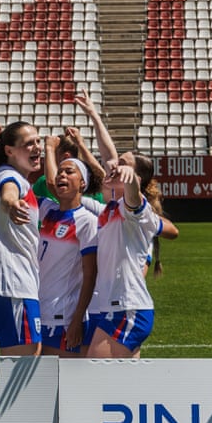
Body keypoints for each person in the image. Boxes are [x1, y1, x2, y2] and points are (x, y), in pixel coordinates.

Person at [86, 153, 179, 358]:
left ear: (136, 178)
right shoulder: (111, 208)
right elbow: (106, 156)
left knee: (94, 374)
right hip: (119, 308)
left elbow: (134, 199)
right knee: (123, 377)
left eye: (123, 164)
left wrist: (130, 179)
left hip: (127, 309)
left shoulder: (135, 208)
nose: (115, 166)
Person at [0, 121, 44, 356]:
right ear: (9, 151)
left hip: (15, 284)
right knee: (23, 364)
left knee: (30, 357)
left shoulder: (6, 174)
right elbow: (8, 193)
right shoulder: (9, 176)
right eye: (28, 144)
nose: (37, 147)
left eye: (38, 141)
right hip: (13, 285)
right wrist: (12, 204)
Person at [38, 141, 100, 357]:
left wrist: (77, 319)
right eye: (60, 172)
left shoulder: (87, 221)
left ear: (83, 183)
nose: (61, 175)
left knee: (63, 377)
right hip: (38, 312)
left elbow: (90, 275)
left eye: (69, 172)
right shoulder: (47, 209)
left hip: (62, 317)